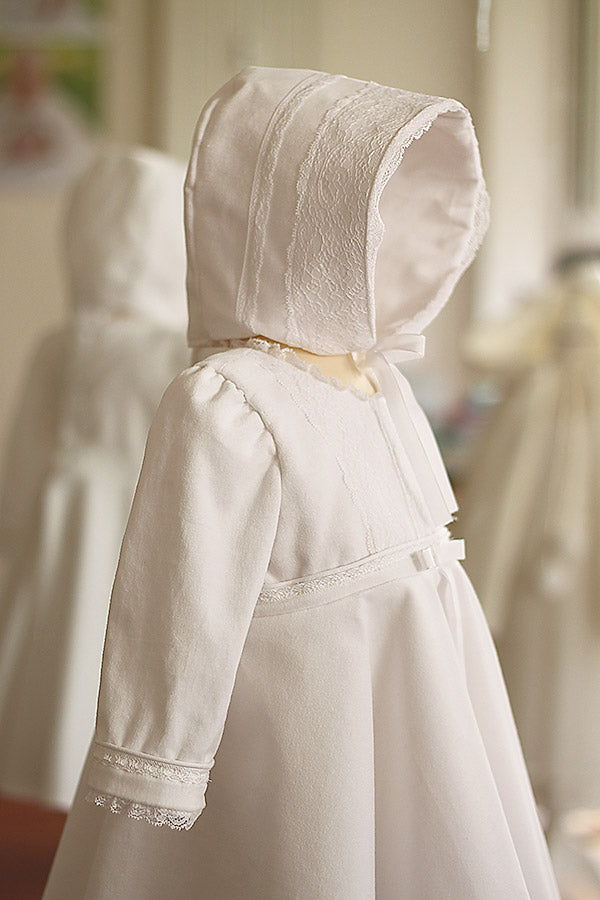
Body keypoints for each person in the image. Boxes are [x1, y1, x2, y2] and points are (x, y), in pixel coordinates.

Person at [44, 66, 559, 898]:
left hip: (429, 703)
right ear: (302, 225)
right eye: (364, 216)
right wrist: (159, 759)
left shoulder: (381, 382)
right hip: (302, 730)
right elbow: (181, 603)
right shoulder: (228, 402)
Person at [0, 147, 189, 809]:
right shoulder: (181, 353)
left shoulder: (59, 346)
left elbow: (19, 474)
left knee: (59, 683)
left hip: (60, 555)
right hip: (148, 548)